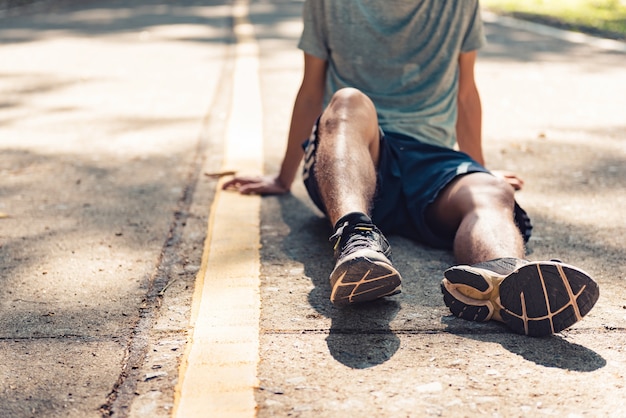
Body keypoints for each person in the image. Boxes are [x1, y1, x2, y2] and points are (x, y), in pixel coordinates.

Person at [223, 0, 599, 337]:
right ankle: (357, 242)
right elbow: (311, 91)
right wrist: (282, 176)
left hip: (430, 159)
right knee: (349, 99)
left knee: (490, 192)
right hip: (353, 152)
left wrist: (478, 169)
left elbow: (465, 93)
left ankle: (505, 283)